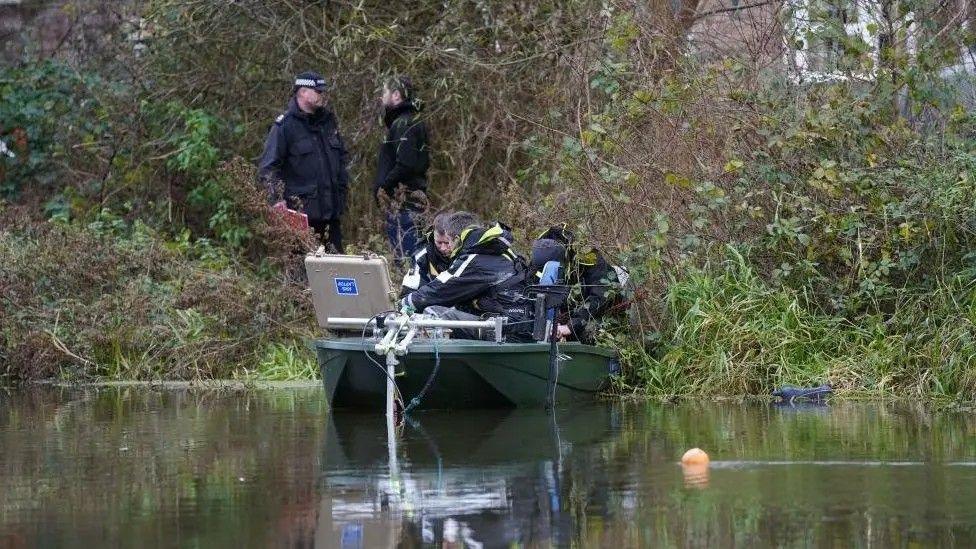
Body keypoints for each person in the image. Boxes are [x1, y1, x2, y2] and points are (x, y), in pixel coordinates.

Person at [400, 212, 532, 341]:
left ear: (457, 239)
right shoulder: (496, 250)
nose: (448, 248)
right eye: (440, 243)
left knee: (434, 313)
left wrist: (405, 304)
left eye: (449, 242)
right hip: (518, 323)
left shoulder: (474, 259)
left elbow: (440, 290)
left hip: (508, 330)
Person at [259, 70, 350, 252]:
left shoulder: (328, 123)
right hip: (302, 219)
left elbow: (341, 160)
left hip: (331, 218)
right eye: (318, 91)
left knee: (337, 274)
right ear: (303, 92)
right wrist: (277, 200)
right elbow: (268, 168)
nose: (322, 95)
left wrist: (342, 191)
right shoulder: (285, 127)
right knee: (302, 275)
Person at [530, 226, 627, 344]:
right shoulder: (540, 258)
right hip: (564, 314)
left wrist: (570, 326)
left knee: (593, 334)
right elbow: (534, 292)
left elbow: (601, 296)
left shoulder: (588, 256)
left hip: (598, 313)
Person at [373, 75, 430, 262]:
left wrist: (384, 186)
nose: (382, 97)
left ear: (396, 95)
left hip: (405, 206)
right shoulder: (412, 120)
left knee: (408, 264)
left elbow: (405, 164)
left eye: (385, 92)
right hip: (409, 204)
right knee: (413, 261)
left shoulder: (403, 123)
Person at [400, 210, 460, 298]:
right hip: (434, 301)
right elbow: (409, 289)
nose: (443, 248)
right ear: (433, 236)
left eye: (447, 243)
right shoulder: (423, 255)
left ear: (456, 238)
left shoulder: (468, 253)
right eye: (439, 242)